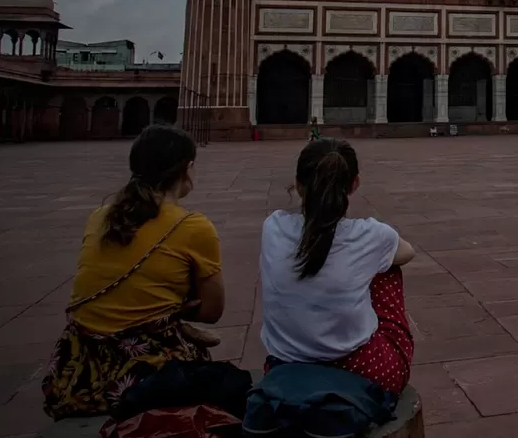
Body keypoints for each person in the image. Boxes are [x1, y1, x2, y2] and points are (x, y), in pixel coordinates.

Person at [43, 124, 226, 420]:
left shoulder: (100, 216)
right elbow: (212, 310)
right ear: (188, 168)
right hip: (145, 374)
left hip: (77, 372)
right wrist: (173, 308)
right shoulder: (192, 226)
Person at [259, 139, 416, 396]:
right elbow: (408, 252)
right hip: (362, 372)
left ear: (298, 186)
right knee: (387, 268)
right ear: (354, 184)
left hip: (284, 370)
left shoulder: (273, 226)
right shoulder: (372, 235)